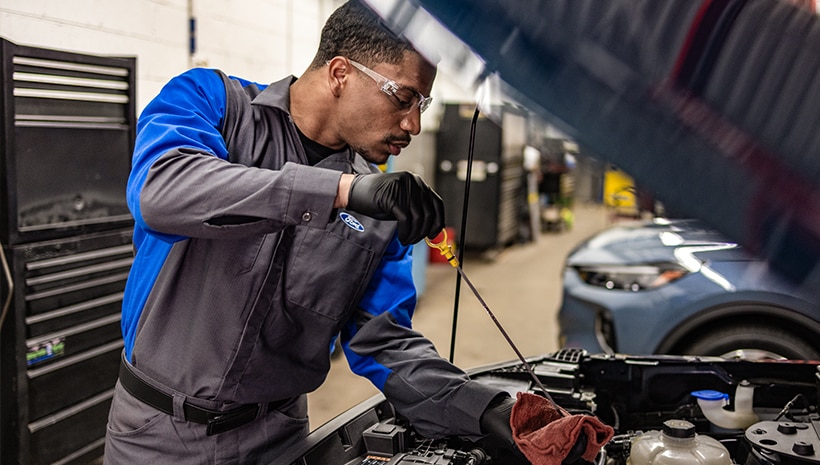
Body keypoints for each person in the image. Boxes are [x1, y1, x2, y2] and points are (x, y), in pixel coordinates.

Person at [103, 1, 522, 463]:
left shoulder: (379, 209)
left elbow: (383, 341)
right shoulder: (212, 102)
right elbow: (161, 192)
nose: (414, 125)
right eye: (402, 98)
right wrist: (340, 191)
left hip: (280, 439)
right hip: (157, 435)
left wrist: (488, 410)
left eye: (422, 105)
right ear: (341, 73)